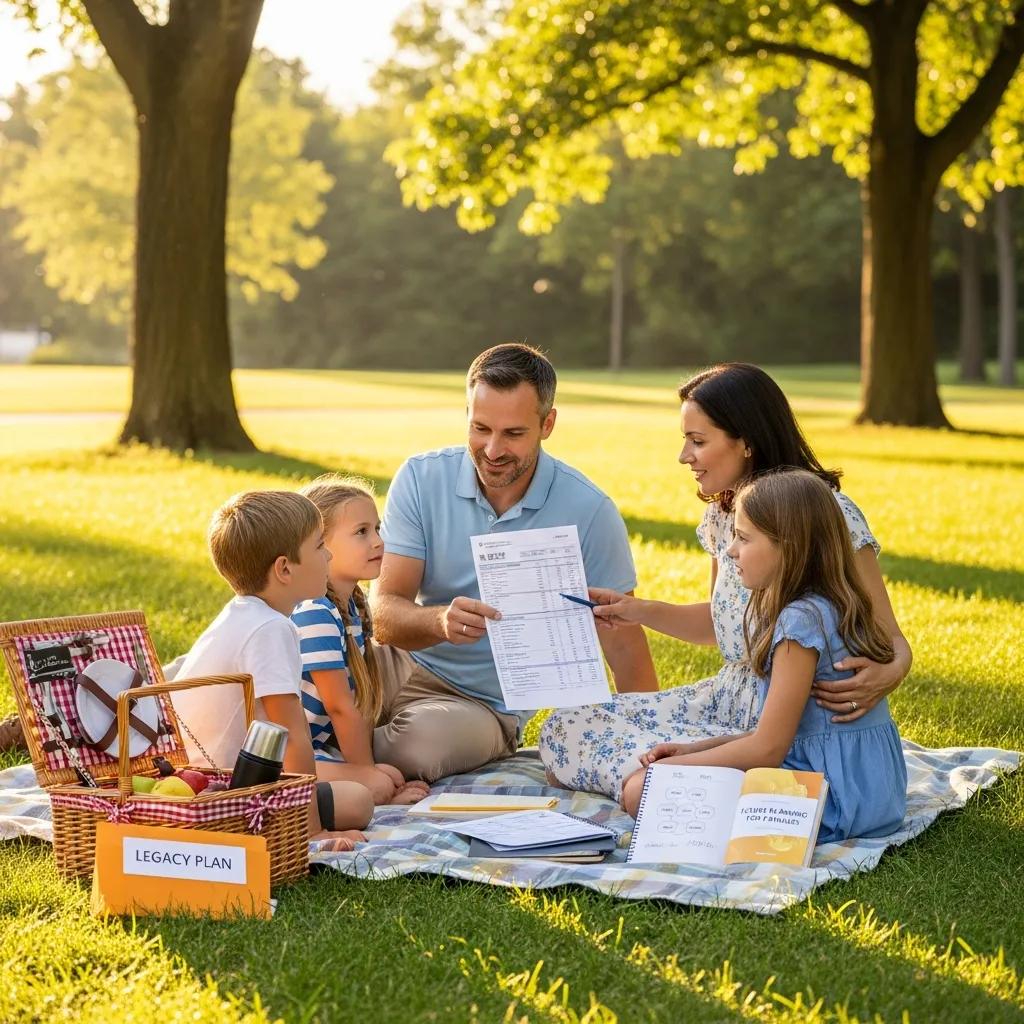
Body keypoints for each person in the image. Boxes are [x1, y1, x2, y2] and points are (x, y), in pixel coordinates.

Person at [540, 362, 912, 801]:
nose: (684, 456)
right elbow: (723, 624)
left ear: (747, 443)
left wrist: (890, 671)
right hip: (726, 701)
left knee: (636, 778)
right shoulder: (723, 516)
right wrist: (632, 610)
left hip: (783, 723)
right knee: (565, 727)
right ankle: (663, 783)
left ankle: (661, 788)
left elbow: (889, 639)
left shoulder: (826, 516)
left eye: (697, 441)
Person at [371, 342, 658, 782]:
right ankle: (343, 746)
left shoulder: (589, 510)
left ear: (548, 423)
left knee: (419, 747)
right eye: (480, 428)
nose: (492, 449)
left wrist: (652, 753)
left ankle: (339, 749)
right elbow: (384, 613)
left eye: (513, 434)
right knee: (303, 678)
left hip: (482, 707)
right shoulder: (421, 477)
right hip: (399, 663)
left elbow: (624, 645)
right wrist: (439, 622)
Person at [621, 469, 907, 843]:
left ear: (788, 546)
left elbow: (769, 748)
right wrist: (694, 749)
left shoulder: (800, 622)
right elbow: (779, 732)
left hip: (831, 800)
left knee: (640, 789)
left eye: (743, 537)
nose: (730, 550)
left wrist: (673, 769)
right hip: (874, 791)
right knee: (655, 781)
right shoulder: (836, 604)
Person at [171, 490, 373, 846]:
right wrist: (311, 832)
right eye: (317, 546)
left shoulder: (243, 613)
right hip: (225, 791)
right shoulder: (271, 629)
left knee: (354, 795)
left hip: (191, 781)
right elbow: (292, 734)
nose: (327, 555)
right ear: (284, 569)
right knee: (358, 800)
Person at [291, 475, 430, 805]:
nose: (379, 542)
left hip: (320, 748)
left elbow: (358, 704)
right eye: (362, 532)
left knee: (389, 777)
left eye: (378, 529)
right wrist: (366, 774)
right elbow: (340, 708)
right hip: (286, 756)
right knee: (379, 784)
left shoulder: (354, 604)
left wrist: (369, 772)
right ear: (319, 544)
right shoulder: (314, 611)